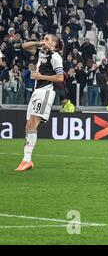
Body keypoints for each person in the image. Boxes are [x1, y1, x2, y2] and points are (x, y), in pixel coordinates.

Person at [15, 35, 64, 172]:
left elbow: (60, 77)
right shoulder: (41, 52)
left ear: (53, 43)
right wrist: (39, 43)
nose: (44, 40)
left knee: (32, 123)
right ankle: (27, 160)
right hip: (37, 91)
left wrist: (41, 76)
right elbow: (24, 46)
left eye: (47, 39)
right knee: (28, 125)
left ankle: (26, 160)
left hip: (46, 91)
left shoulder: (55, 57)